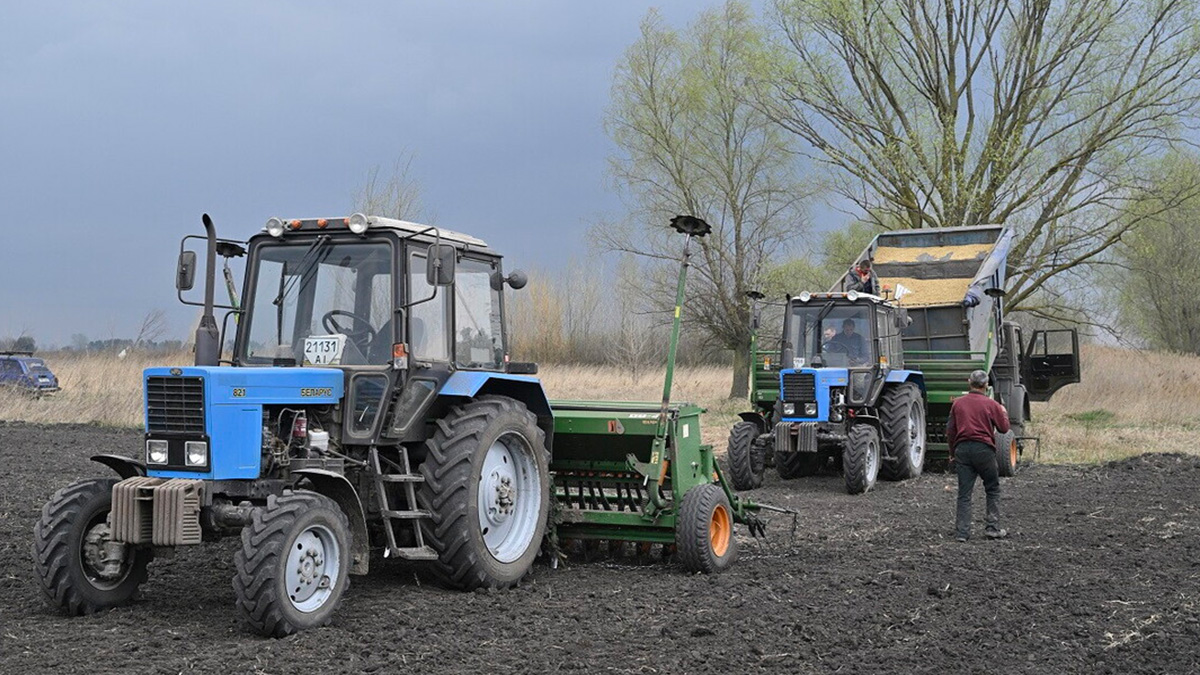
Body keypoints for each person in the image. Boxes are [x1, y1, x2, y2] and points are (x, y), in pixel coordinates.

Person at [946, 370, 1010, 542]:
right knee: (992, 488)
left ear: (969, 382)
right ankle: (992, 528)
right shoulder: (991, 404)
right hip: (984, 450)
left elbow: (951, 432)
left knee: (964, 493)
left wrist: (952, 454)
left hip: (963, 450)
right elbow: (1004, 429)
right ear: (986, 384)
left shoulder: (957, 404)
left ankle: (962, 533)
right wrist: (1003, 411)